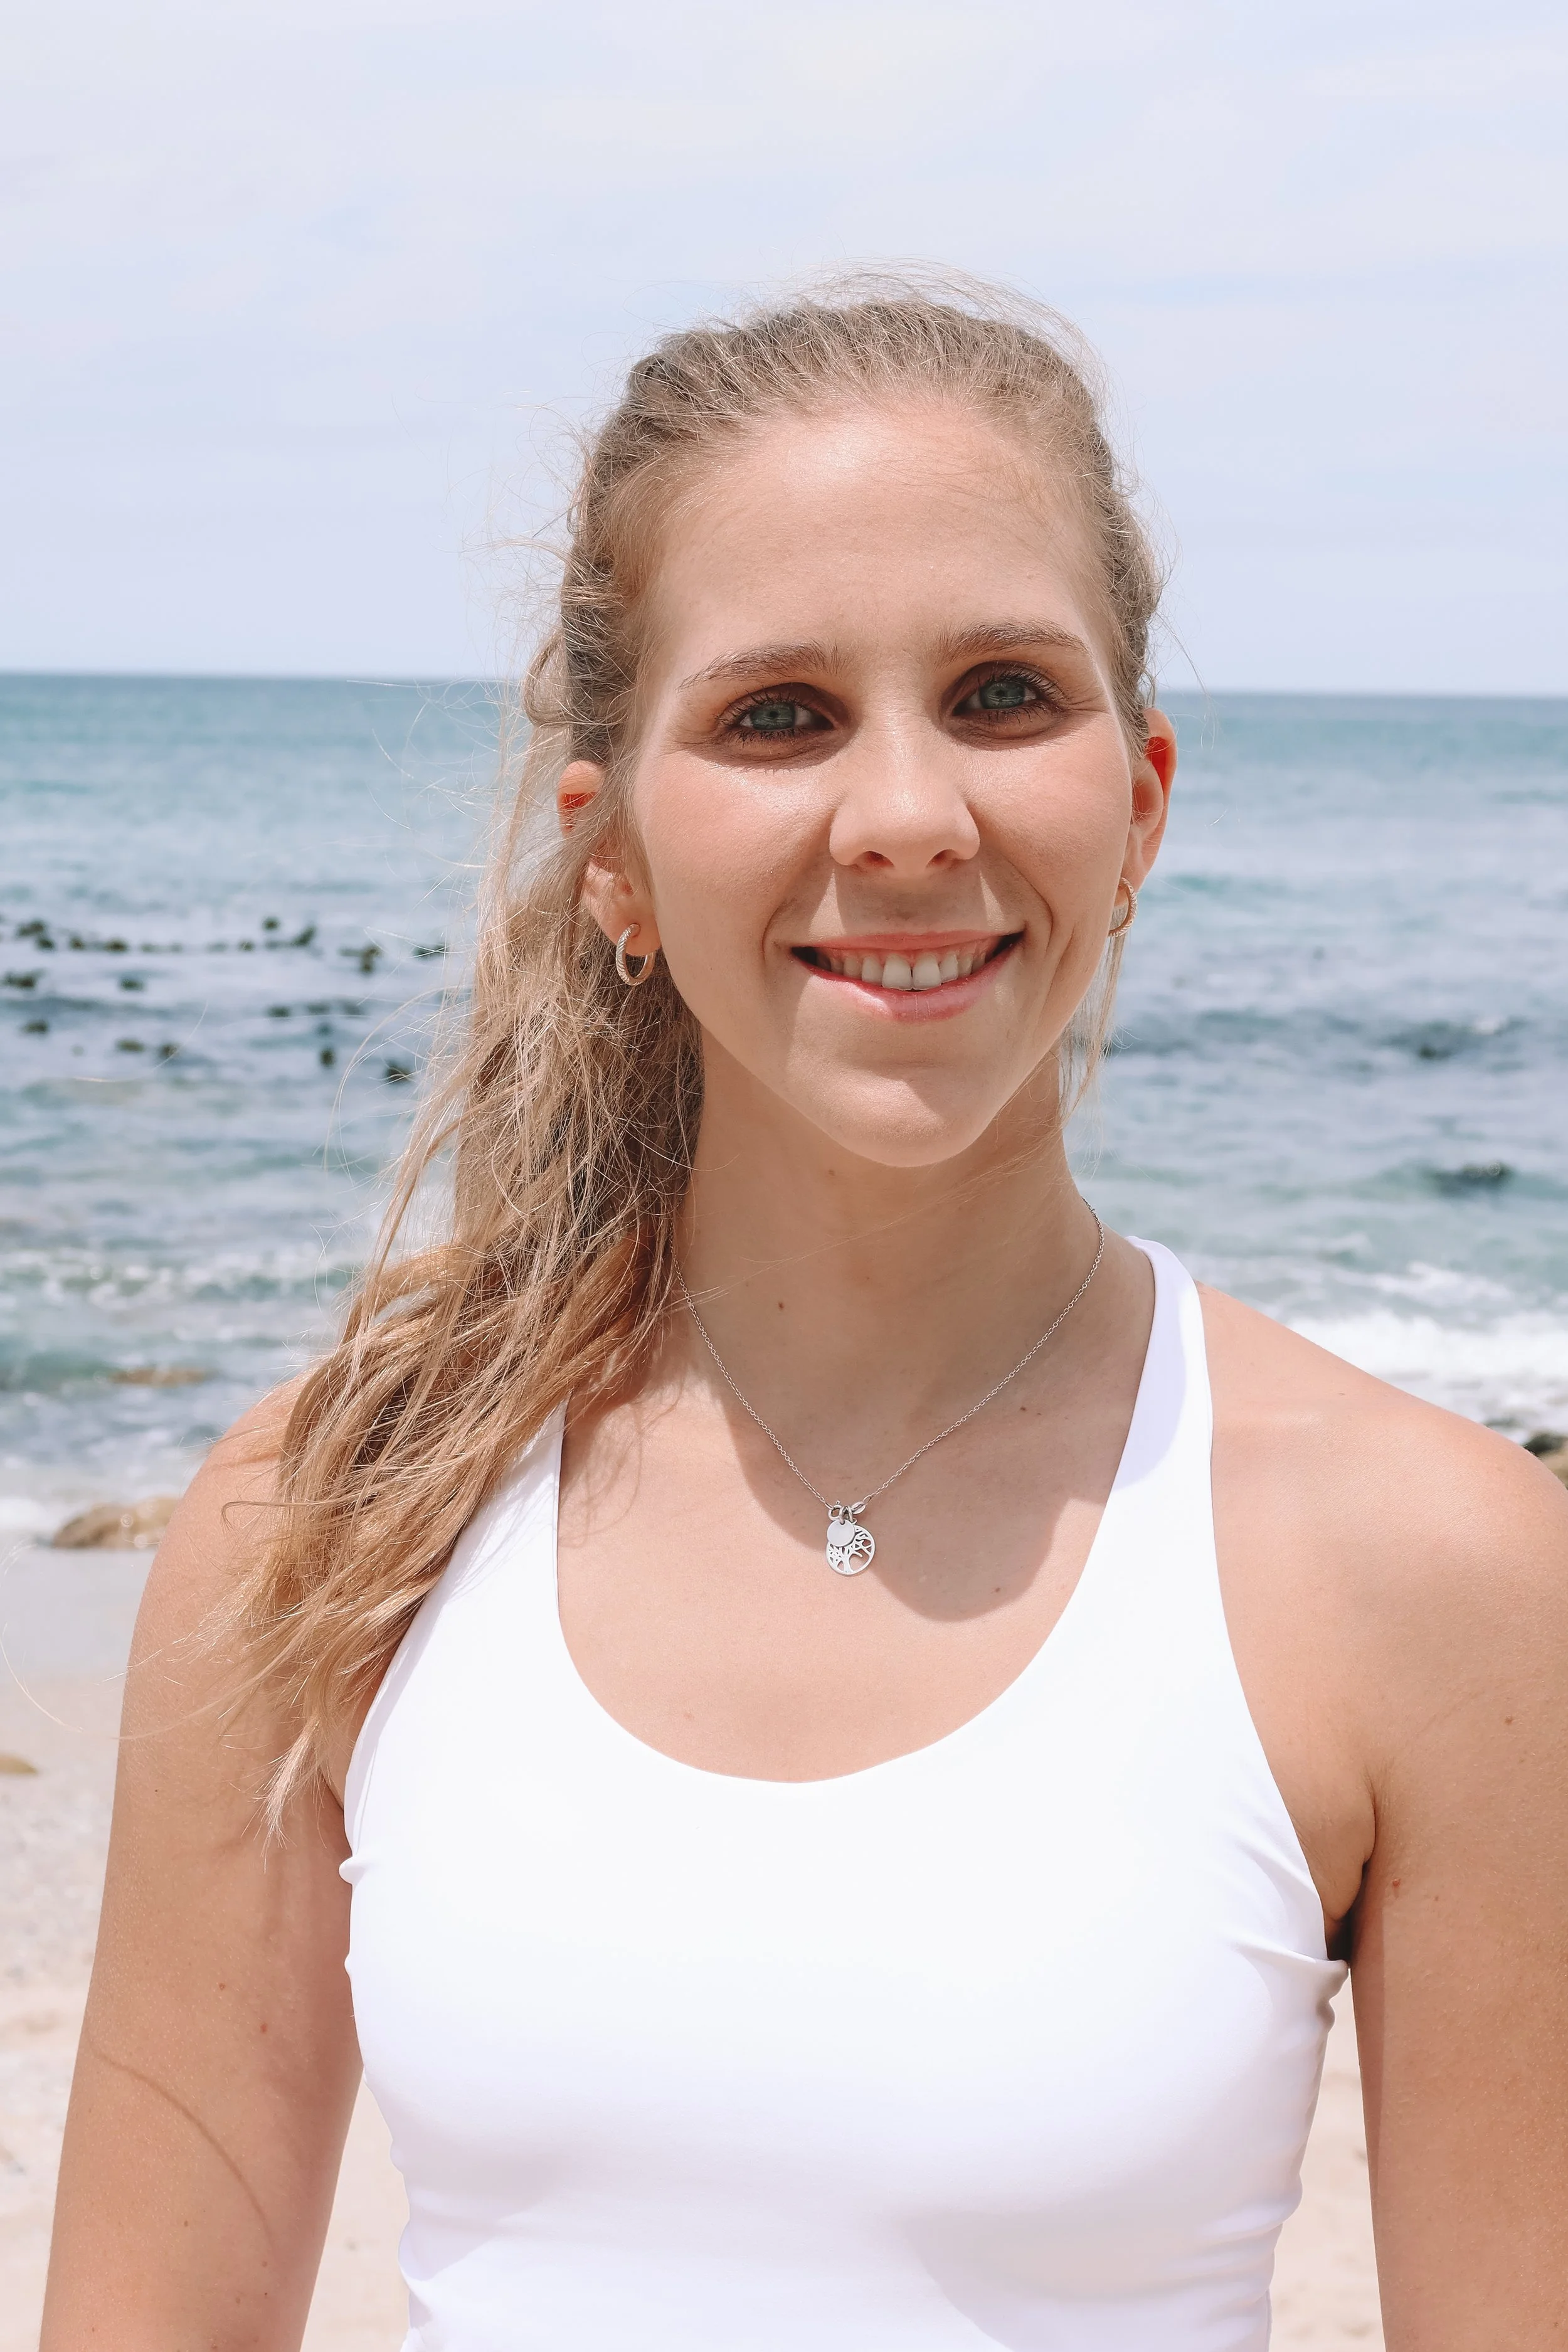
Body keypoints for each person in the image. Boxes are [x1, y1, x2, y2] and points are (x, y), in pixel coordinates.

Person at [43, 278, 1568, 2350]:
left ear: (1138, 805)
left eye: (1006, 692)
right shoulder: (330, 1527)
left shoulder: (1438, 1572)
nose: (911, 815)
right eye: (777, 715)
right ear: (609, 859)